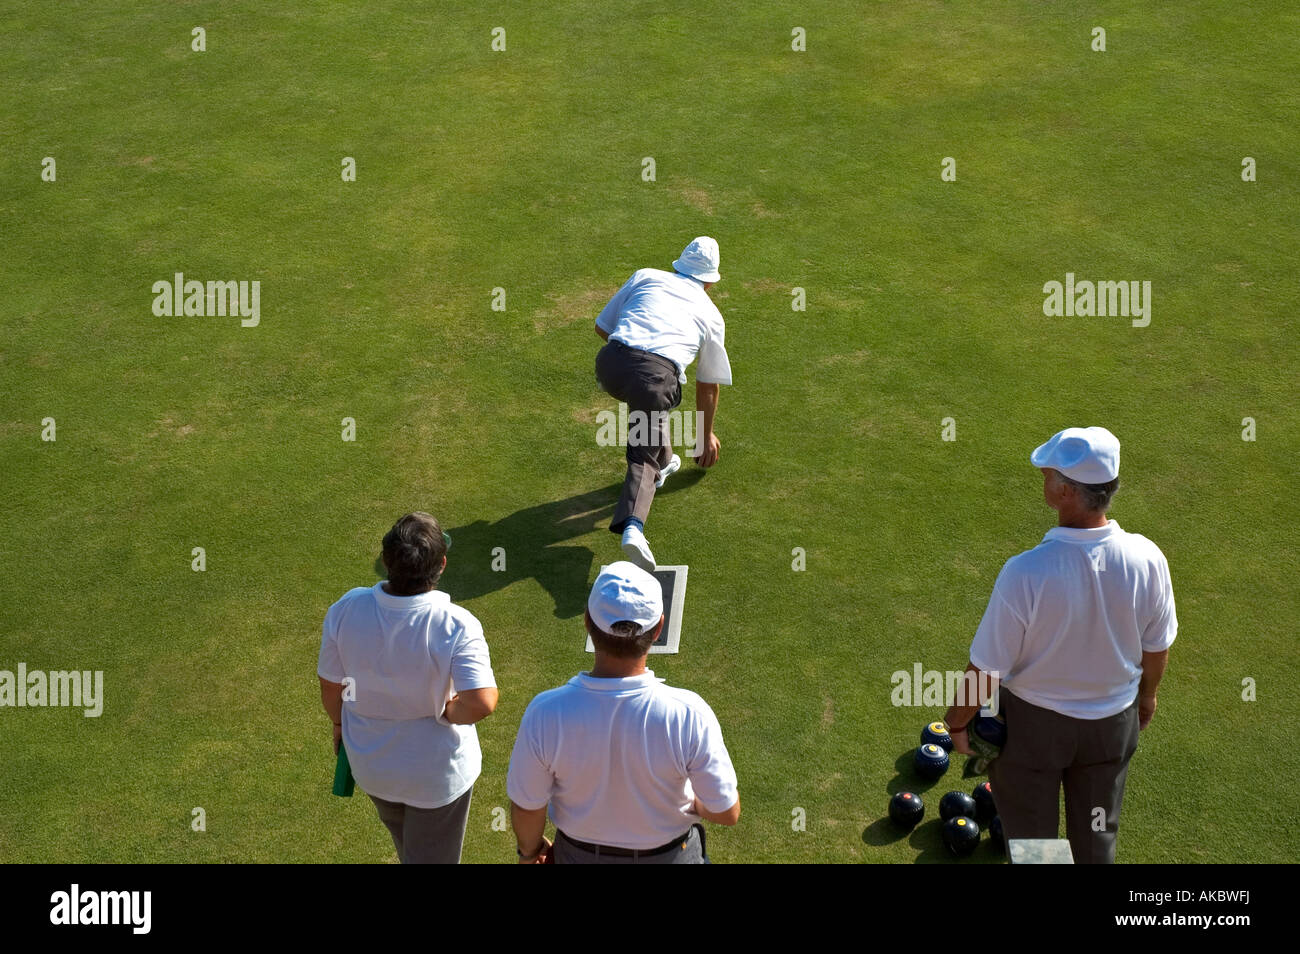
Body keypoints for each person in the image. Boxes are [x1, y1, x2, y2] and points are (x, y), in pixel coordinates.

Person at [943, 427, 1176, 864]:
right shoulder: (1149, 559)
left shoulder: (1026, 573)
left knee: (1037, 849)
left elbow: (987, 670)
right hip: (1112, 727)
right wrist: (1147, 697)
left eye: (1048, 474)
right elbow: (1157, 646)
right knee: (1095, 843)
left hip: (1035, 733)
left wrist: (956, 725)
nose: (1043, 479)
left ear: (1065, 492)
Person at [507, 561, 740, 864]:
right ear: (658, 628)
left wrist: (530, 852)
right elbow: (725, 811)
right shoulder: (689, 714)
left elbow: (527, 806)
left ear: (588, 623)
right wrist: (692, 805)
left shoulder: (544, 712)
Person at [318, 512, 498, 864]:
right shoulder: (457, 624)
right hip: (436, 779)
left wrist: (339, 725)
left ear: (386, 561)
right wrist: (448, 710)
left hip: (373, 768)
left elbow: (331, 687)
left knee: (411, 851)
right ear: (441, 564)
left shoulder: (346, 608)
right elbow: (481, 702)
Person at [593, 237, 732, 571]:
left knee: (649, 417)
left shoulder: (645, 275)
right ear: (710, 281)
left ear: (678, 265)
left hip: (609, 365)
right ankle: (633, 527)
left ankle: (666, 459)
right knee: (642, 456)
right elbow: (707, 384)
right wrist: (704, 435)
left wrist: (631, 363)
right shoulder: (711, 315)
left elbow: (602, 326)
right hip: (653, 380)